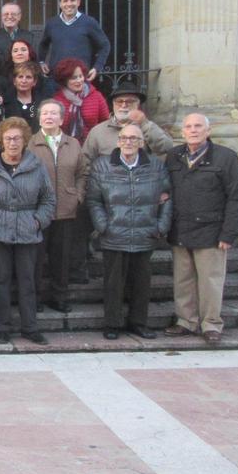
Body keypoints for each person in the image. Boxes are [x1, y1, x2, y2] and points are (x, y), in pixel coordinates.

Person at [0, 117, 56, 345]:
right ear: (1, 140)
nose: (13, 143)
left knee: (28, 280)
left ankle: (30, 327)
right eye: (8, 138)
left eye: (17, 138)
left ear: (25, 140)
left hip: (28, 228)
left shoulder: (37, 166)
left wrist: (38, 221)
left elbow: (48, 198)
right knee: (1, 279)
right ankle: (2, 326)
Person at [163, 113, 238, 345]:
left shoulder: (225, 157)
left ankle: (211, 324)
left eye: (198, 126)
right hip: (180, 227)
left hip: (211, 230)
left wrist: (229, 233)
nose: (193, 130)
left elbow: (236, 198)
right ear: (183, 132)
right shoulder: (174, 156)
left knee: (210, 280)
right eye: (188, 126)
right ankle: (186, 321)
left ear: (208, 131)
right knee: (183, 280)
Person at [87, 123, 171, 341]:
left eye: (134, 139)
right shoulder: (102, 166)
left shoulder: (155, 166)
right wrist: (102, 225)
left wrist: (161, 226)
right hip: (113, 234)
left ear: (142, 143)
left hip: (145, 233)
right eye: (124, 138)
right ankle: (112, 323)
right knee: (113, 283)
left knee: (141, 283)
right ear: (118, 141)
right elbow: (94, 200)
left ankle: (138, 323)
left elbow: (167, 198)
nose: (129, 142)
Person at [27, 99, 87, 314]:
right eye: (45, 113)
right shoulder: (30, 144)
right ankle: (35, 298)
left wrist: (78, 195)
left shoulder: (74, 144)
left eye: (54, 113)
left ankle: (59, 296)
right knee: (35, 257)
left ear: (62, 118)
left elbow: (82, 173)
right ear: (39, 117)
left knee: (61, 257)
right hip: (37, 210)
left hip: (65, 209)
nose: (49, 117)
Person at [82, 86, 174, 163]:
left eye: (130, 101)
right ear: (113, 104)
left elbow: (167, 148)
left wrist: (144, 124)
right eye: (119, 101)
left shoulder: (147, 126)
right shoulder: (98, 131)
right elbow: (85, 163)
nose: (124, 105)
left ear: (138, 105)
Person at [38, 0, 111, 81]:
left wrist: (97, 67)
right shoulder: (52, 24)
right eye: (65, 1)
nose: (69, 4)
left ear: (79, 2)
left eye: (72, 0)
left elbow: (105, 45)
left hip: (80, 79)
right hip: (56, 78)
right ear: (60, 3)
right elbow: (43, 44)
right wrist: (41, 62)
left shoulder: (89, 22)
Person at [52, 57, 110, 145]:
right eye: (74, 78)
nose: (79, 80)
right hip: (64, 147)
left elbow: (106, 123)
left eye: (81, 76)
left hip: (92, 146)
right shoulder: (57, 100)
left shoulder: (96, 96)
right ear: (65, 80)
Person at [0, 39, 53, 106]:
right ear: (11, 56)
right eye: (15, 51)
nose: (19, 53)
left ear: (29, 54)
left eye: (23, 50)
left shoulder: (41, 78)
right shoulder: (1, 80)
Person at [1, 61, 45, 132]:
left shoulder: (43, 103)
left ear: (34, 82)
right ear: (14, 81)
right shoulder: (4, 102)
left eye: (28, 77)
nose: (24, 81)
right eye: (20, 77)